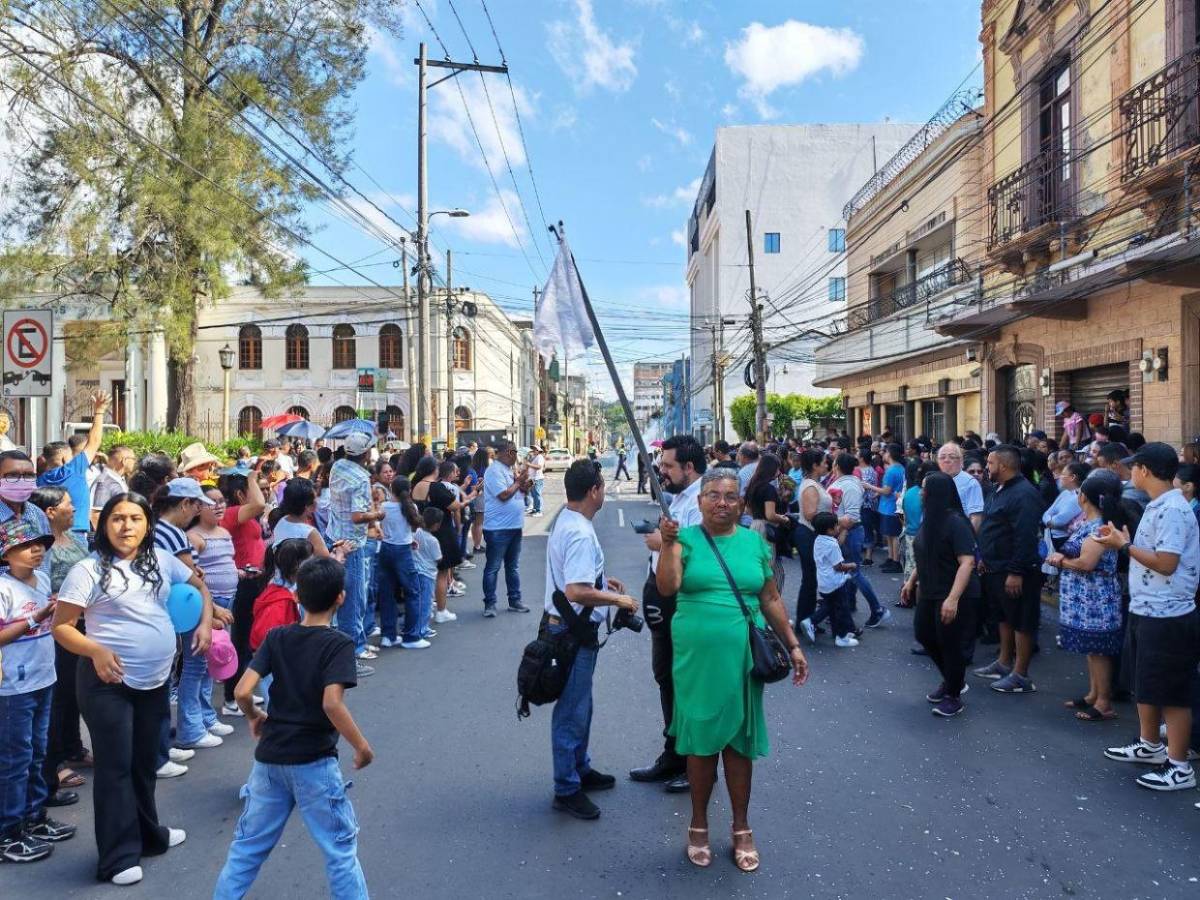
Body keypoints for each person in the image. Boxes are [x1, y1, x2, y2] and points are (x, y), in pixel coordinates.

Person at [51, 493, 213, 885]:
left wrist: (207, 622)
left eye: (136, 518)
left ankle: (149, 837)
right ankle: (117, 858)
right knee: (115, 768)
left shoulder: (162, 560)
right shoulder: (88, 569)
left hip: (155, 681)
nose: (127, 526)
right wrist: (96, 650)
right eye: (118, 518)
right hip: (107, 683)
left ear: (147, 524)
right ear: (104, 524)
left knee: (143, 764)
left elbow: (200, 588)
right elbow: (62, 627)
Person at [656, 469, 807, 871]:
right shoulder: (683, 539)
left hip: (743, 656)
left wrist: (792, 644)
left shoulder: (755, 542)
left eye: (730, 496)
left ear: (741, 503)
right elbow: (667, 587)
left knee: (740, 743)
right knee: (701, 740)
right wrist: (667, 544)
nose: (721, 503)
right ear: (700, 501)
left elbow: (770, 598)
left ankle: (742, 826)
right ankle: (699, 824)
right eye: (713, 495)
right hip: (697, 659)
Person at [213, 556, 372, 898]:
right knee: (339, 851)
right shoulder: (339, 644)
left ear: (297, 596)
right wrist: (361, 746)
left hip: (269, 760)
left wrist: (255, 716)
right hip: (314, 761)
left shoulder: (277, 637)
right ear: (341, 597)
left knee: (246, 849)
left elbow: (242, 691)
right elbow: (332, 703)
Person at [1096, 443, 1200, 791]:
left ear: (1145, 470)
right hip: (1148, 608)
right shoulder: (1160, 505)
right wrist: (1125, 541)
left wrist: (1124, 546)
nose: (1130, 473)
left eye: (1134, 467)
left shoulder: (1172, 509)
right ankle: (1150, 744)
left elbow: (1167, 563)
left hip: (1168, 614)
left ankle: (1179, 766)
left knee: (1171, 691)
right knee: (1147, 684)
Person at [545, 460, 637, 821]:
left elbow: (576, 577)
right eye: (602, 485)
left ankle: (579, 768)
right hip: (571, 631)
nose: (604, 492)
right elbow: (575, 590)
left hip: (570, 628)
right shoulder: (580, 533)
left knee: (581, 704)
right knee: (572, 710)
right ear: (594, 490)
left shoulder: (569, 520)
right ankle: (566, 787)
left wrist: (602, 581)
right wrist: (618, 599)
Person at [630, 434, 705, 794]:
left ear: (689, 467)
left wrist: (665, 542)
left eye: (669, 465)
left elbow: (704, 549)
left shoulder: (703, 500)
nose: (663, 471)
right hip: (663, 600)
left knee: (686, 683)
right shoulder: (678, 497)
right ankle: (673, 754)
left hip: (684, 603)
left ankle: (696, 764)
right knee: (667, 678)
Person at [0, 520, 73, 863]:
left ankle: (33, 818)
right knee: (15, 760)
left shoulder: (42, 579)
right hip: (13, 688)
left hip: (45, 678)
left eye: (40, 543)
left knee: (37, 753)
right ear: (6, 554)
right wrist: (35, 618)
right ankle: (8, 834)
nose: (36, 550)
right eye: (25, 545)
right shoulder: (3, 588)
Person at [1045, 471, 1124, 721]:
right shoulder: (1089, 523)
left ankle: (1103, 702)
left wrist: (1060, 561)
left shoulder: (1099, 527)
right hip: (1087, 598)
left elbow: (1086, 563)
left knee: (1098, 651)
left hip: (1095, 598)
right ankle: (1094, 694)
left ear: (1084, 498)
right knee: (1092, 649)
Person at [28, 488, 90, 806]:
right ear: (50, 512)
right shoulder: (38, 547)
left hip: (83, 624)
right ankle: (56, 764)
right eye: (68, 503)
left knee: (73, 692)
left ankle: (73, 747)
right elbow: (41, 586)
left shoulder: (75, 539)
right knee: (57, 698)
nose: (74, 508)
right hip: (56, 626)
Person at [901, 472, 981, 717]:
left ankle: (954, 695)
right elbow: (925, 554)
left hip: (954, 593)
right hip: (930, 590)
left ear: (935, 493)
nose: (920, 493)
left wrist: (953, 599)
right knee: (924, 634)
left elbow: (967, 562)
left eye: (924, 489)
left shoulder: (956, 522)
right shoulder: (930, 519)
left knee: (950, 643)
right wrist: (911, 581)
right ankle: (952, 679)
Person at [973, 445, 1045, 694]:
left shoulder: (1024, 494)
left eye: (990, 463)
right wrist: (984, 556)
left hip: (1014, 570)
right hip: (995, 567)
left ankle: (1021, 674)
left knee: (1022, 621)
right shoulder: (999, 489)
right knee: (1003, 617)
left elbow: (1025, 536)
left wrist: (1016, 572)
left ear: (1003, 466)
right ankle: (1004, 662)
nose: (986, 467)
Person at [327, 432, 383, 674]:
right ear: (366, 452)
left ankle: (355, 645)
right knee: (352, 601)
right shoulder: (360, 477)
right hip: (352, 544)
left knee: (345, 599)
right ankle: (350, 656)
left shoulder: (338, 466)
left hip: (334, 536)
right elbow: (358, 516)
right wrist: (377, 514)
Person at [217, 468, 269, 713]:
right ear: (240, 494)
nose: (261, 492)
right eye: (254, 489)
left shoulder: (239, 514)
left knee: (247, 641)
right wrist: (250, 477)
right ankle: (231, 697)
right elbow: (259, 504)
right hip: (242, 583)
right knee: (239, 640)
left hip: (253, 580)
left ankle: (241, 690)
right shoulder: (232, 513)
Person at [830, 453, 890, 628]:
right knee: (848, 572)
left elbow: (851, 516)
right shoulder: (849, 482)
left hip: (849, 532)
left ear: (837, 466)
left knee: (853, 572)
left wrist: (842, 532)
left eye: (834, 462)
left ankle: (877, 609)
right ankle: (848, 605)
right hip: (847, 531)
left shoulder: (848, 485)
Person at [480, 441, 531, 617]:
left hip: (514, 526)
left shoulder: (508, 470)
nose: (517, 457)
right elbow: (503, 495)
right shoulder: (494, 471)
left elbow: (516, 492)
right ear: (509, 452)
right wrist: (519, 482)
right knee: (493, 567)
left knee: (512, 567)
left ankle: (514, 601)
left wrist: (524, 486)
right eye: (516, 453)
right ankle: (490, 604)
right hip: (497, 528)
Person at [413, 458, 466, 623]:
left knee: (425, 573)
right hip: (441, 532)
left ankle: (426, 609)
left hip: (421, 533)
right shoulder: (436, 487)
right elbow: (455, 506)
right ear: (434, 469)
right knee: (441, 574)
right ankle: (441, 611)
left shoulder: (416, 486)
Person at [376, 478, 427, 649]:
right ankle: (411, 636)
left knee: (386, 593)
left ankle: (388, 635)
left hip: (385, 549)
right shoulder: (411, 508)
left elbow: (380, 528)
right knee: (413, 592)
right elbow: (409, 529)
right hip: (403, 551)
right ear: (409, 489)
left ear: (391, 489)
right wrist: (410, 539)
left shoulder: (383, 507)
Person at [792, 449, 833, 640]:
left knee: (812, 580)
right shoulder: (810, 486)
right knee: (810, 580)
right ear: (815, 465)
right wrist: (834, 521)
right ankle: (805, 620)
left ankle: (807, 620)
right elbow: (810, 514)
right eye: (823, 462)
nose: (827, 465)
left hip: (813, 535)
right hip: (809, 535)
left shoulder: (815, 483)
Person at [812, 511, 858, 647]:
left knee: (832, 608)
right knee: (841, 609)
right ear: (829, 530)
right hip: (835, 583)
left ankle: (836, 633)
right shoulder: (832, 545)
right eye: (836, 525)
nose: (839, 527)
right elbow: (838, 566)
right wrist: (852, 565)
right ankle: (841, 637)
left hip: (823, 581)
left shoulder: (818, 540)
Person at [866, 443, 905, 572]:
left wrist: (870, 487)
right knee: (890, 535)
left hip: (890, 507)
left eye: (886, 452)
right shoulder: (900, 468)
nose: (884, 454)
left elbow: (887, 491)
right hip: (893, 505)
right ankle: (891, 558)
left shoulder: (891, 470)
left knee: (893, 536)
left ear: (891, 454)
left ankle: (895, 561)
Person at [936, 442, 984, 529]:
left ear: (961, 461)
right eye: (942, 457)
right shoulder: (934, 480)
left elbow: (976, 518)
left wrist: (967, 536)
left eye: (952, 457)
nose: (946, 460)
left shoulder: (970, 483)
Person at [1044, 462, 1088, 552]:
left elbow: (1059, 521)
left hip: (1066, 539)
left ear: (1072, 477)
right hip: (1054, 537)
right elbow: (1047, 513)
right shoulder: (1065, 493)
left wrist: (1049, 521)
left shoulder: (1078, 496)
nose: (1060, 477)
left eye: (1063, 474)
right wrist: (1049, 521)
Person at [91, 444, 135, 529]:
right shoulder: (105, 482)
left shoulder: (117, 479)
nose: (134, 462)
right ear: (124, 461)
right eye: (133, 459)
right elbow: (96, 515)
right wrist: (105, 536)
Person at [527, 445, 546, 516]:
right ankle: (535, 509)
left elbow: (539, 467)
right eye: (533, 449)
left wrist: (529, 465)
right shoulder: (535, 457)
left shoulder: (540, 457)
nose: (533, 451)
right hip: (533, 478)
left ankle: (539, 511)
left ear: (538, 450)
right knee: (534, 495)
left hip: (537, 479)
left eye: (534, 449)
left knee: (537, 494)